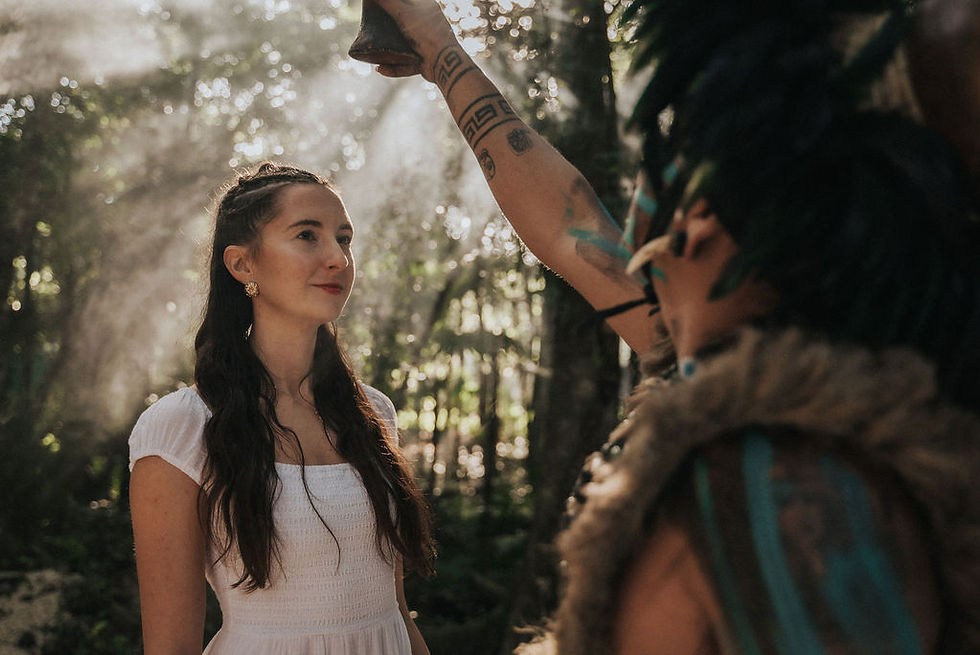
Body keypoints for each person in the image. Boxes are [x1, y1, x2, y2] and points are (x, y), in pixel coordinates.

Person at [370, 0, 980, 653]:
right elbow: (564, 226)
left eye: (681, 148)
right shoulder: (714, 361)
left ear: (697, 226)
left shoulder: (782, 478)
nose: (647, 176)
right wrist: (437, 45)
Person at [128, 162, 435, 654]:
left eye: (344, 239)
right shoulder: (180, 429)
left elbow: (395, 610)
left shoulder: (373, 413)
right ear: (242, 265)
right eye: (307, 236)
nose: (338, 258)